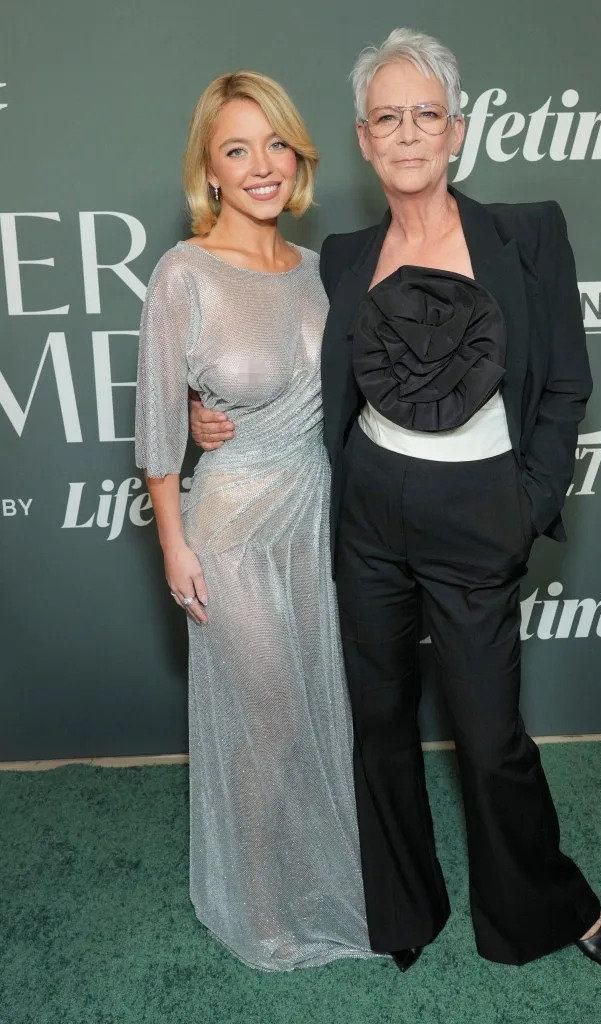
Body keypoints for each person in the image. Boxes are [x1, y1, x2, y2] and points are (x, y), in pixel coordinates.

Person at [191, 30, 601, 974]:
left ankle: (545, 904)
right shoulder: (341, 258)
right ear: (364, 139)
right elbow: (259, 348)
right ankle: (401, 911)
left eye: (426, 114)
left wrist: (526, 501)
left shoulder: (526, 234)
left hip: (481, 506)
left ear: (456, 130)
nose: (409, 132)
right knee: (378, 724)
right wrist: (201, 405)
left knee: (489, 736)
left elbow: (566, 384)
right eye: (388, 117)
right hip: (371, 512)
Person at [134, 70, 379, 972]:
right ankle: (260, 905)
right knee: (269, 715)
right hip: (230, 527)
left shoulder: (324, 272)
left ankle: (316, 878)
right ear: (209, 169)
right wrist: (173, 544)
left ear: (298, 155)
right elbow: (158, 424)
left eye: (275, 143)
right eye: (237, 149)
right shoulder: (184, 273)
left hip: (316, 521)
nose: (261, 164)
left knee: (316, 711)